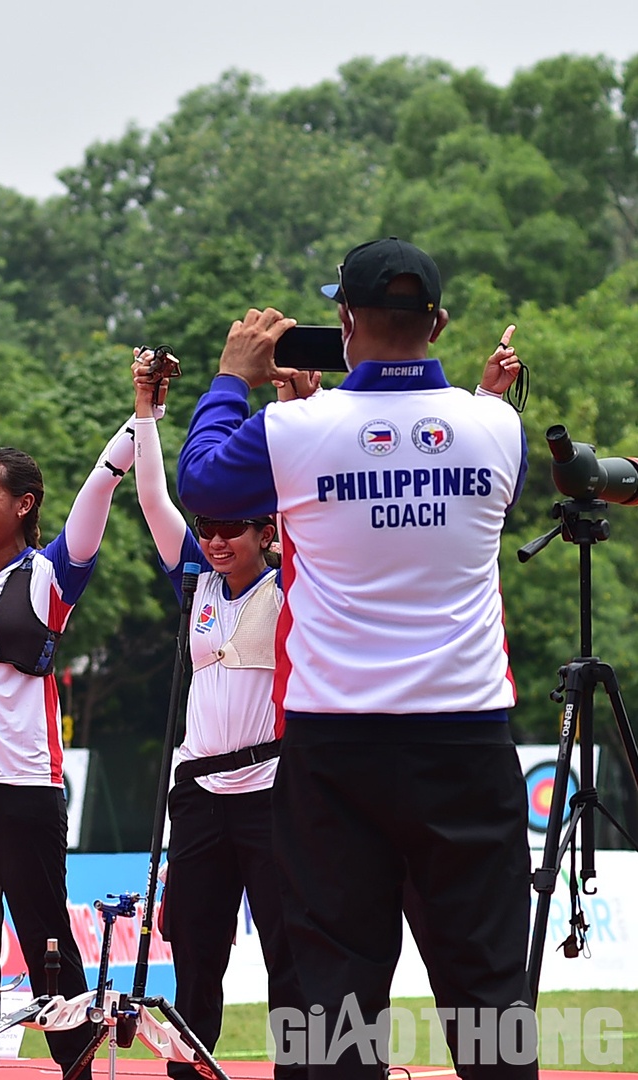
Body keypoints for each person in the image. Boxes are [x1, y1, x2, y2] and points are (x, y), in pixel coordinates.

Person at [174, 238, 532, 1080]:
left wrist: (232, 378)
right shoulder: (496, 424)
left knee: (333, 997)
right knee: (487, 991)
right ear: (438, 322)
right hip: (466, 737)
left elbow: (205, 486)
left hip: (337, 747)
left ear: (343, 324)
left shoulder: (296, 428)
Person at [0, 305, 148, 1080]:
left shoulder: (52, 574)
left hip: (24, 784)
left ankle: (73, 1069)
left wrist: (138, 415)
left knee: (47, 937)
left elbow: (99, 487)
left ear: (23, 505)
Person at [126, 355, 304, 1080]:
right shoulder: (194, 581)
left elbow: (302, 500)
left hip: (270, 792)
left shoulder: (295, 576)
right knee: (194, 949)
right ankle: (189, 1072)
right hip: (198, 797)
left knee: (290, 950)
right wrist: (146, 413)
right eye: (209, 528)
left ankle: (303, 1071)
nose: (215, 538)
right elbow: (152, 499)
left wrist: (292, 402)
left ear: (266, 531)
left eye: (233, 527)